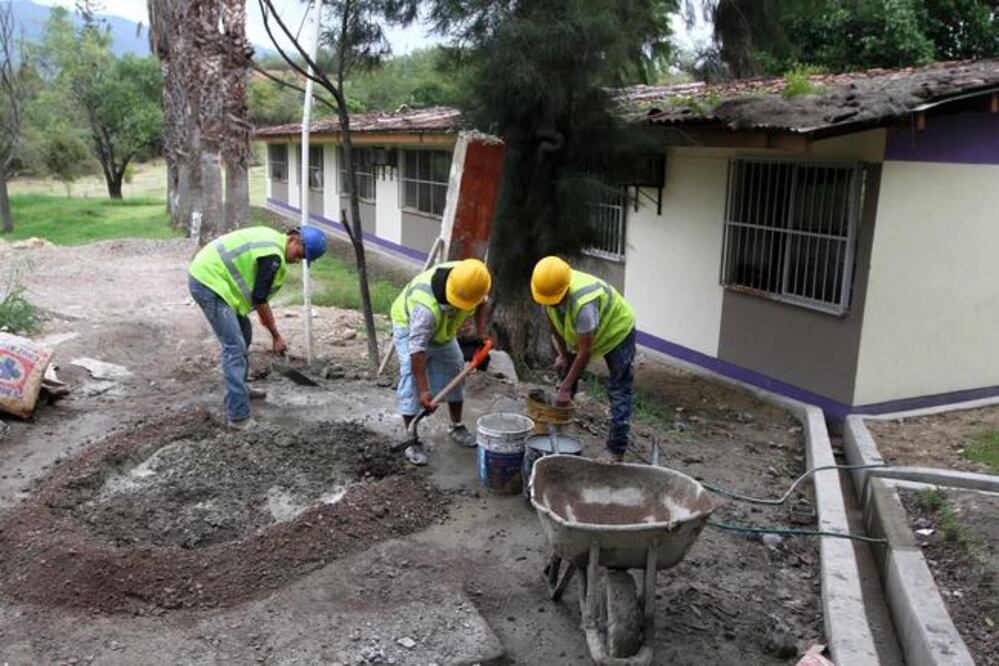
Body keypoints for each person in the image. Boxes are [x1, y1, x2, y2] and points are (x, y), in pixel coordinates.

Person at [188, 225, 327, 429]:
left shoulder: (272, 242)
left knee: (244, 332)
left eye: (304, 259)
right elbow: (260, 299)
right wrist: (275, 335)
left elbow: (257, 295)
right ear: (294, 240)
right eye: (300, 254)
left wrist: (274, 335)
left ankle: (241, 388)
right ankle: (238, 417)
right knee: (234, 347)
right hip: (209, 281)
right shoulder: (272, 256)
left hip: (217, 280)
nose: (298, 260)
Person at [530, 256, 636, 462]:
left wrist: (566, 388)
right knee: (565, 372)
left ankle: (616, 448)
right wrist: (561, 354)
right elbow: (554, 326)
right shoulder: (546, 289)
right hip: (585, 333)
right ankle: (559, 428)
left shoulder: (584, 303)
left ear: (565, 290)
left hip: (617, 332)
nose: (550, 304)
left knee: (619, 388)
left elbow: (584, 352)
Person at [390, 258, 492, 465]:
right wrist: (425, 389)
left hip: (443, 331)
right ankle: (412, 439)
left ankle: (456, 426)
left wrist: (481, 333)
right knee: (411, 380)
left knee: (455, 368)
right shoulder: (425, 309)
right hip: (409, 326)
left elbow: (482, 302)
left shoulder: (471, 281)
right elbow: (417, 351)